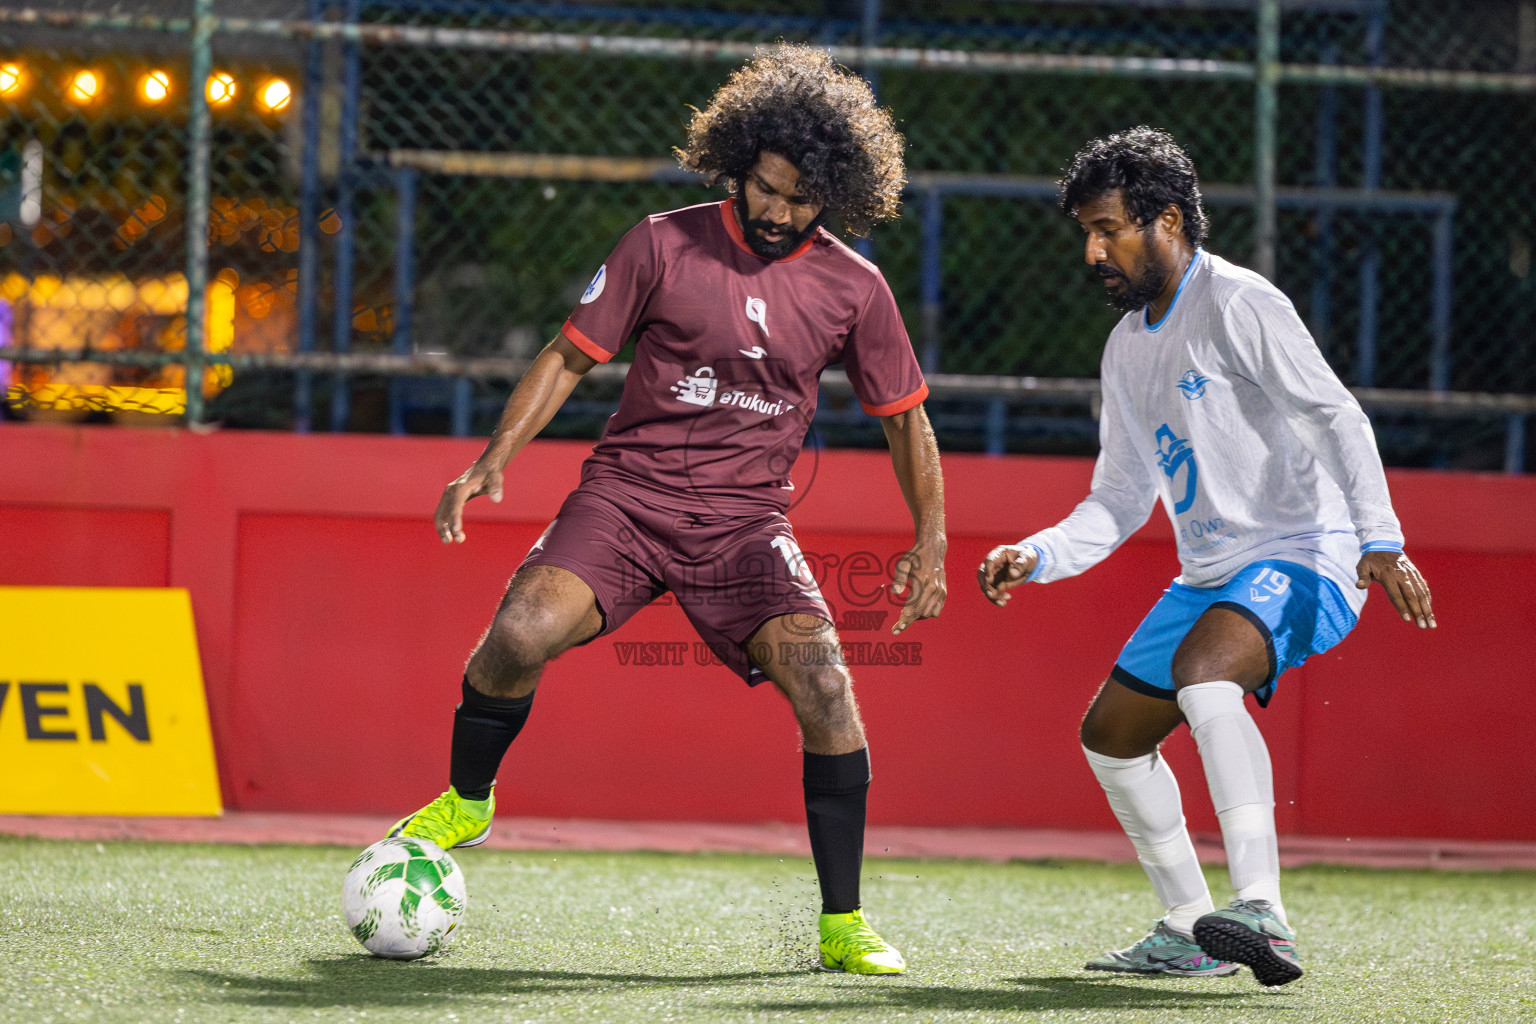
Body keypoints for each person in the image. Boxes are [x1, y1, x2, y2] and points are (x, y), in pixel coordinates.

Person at [389, 44, 946, 976]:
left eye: (800, 198)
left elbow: (907, 423)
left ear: (834, 195)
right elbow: (572, 355)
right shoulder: (662, 242)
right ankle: (469, 798)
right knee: (519, 633)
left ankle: (843, 922)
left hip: (745, 528)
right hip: (628, 501)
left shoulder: (856, 287)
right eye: (764, 188)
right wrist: (494, 459)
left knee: (827, 689)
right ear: (738, 165)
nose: (776, 211)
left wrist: (929, 540)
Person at [978, 128, 1434, 987]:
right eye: (1085, 231)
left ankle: (1263, 907)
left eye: (1109, 228)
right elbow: (1118, 500)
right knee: (1110, 737)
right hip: (1213, 575)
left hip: (1310, 552)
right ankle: (1191, 927)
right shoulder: (1125, 349)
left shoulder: (1237, 302)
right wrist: (1036, 553)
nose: (1092, 251)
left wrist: (1380, 538)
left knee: (1203, 674)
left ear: (1170, 221)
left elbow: (1336, 416)